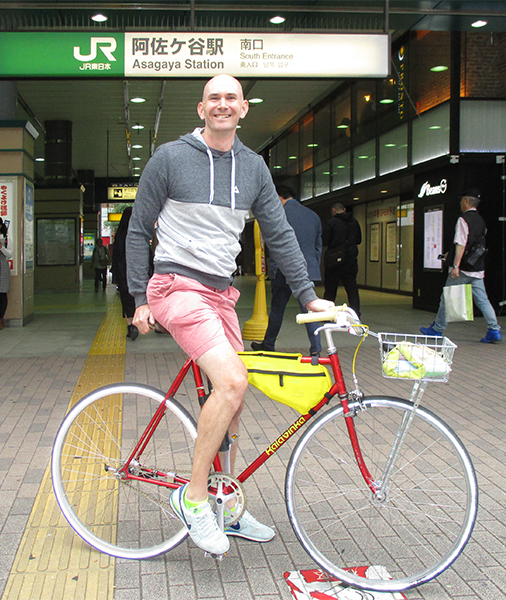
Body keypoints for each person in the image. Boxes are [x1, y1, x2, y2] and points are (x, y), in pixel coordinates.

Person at [126, 74, 334, 555]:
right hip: (176, 285)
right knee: (234, 381)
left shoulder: (254, 168)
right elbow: (137, 231)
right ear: (201, 109)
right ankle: (194, 498)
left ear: (244, 109)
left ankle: (225, 503)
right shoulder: (171, 159)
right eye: (213, 98)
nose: (222, 105)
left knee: (235, 400)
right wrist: (139, 298)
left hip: (221, 295)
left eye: (231, 98)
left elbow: (279, 234)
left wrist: (308, 297)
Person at [420, 188, 502, 343]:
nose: (460, 203)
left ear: (466, 201)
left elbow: (461, 244)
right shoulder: (481, 221)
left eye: (461, 200)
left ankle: (437, 329)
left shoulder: (463, 220)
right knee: (483, 300)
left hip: (463, 268)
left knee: (447, 297)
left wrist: (455, 265)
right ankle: (494, 329)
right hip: (477, 268)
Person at [251, 184, 323, 356]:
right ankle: (316, 349)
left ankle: (268, 344)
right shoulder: (313, 216)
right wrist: (312, 268)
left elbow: (277, 245)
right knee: (310, 310)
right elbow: (317, 247)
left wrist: (274, 270)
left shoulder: (280, 214)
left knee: (277, 310)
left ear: (278, 196)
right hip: (308, 271)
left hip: (285, 271)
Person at [322, 202, 362, 316]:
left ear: (334, 211)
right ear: (344, 209)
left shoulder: (331, 223)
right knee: (351, 288)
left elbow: (325, 241)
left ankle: (327, 314)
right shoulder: (354, 222)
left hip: (334, 260)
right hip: (350, 260)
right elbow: (359, 240)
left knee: (330, 289)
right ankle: (355, 313)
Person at [110, 207, 138, 340]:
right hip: (136, 272)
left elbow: (115, 258)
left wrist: (115, 275)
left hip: (122, 273)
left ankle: (130, 326)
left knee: (125, 300)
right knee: (137, 298)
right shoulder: (137, 234)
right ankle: (137, 323)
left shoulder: (120, 236)